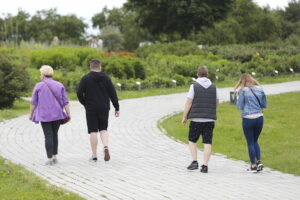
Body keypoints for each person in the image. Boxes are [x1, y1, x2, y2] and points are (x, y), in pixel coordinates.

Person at [77, 59, 119, 162]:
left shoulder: (85, 78)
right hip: (104, 107)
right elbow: (113, 93)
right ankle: (105, 146)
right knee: (103, 129)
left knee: (93, 130)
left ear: (90, 67)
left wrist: (85, 103)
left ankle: (94, 155)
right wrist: (116, 107)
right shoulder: (106, 78)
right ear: (100, 67)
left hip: (91, 107)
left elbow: (78, 92)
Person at [29, 65, 70, 165]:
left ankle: (50, 159)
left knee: (48, 135)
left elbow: (33, 102)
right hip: (57, 115)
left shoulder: (39, 86)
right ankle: (55, 157)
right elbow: (65, 101)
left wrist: (31, 114)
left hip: (44, 115)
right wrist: (68, 113)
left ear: (43, 75)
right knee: (54, 134)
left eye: (40, 74)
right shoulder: (59, 85)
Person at [182, 66, 219, 173]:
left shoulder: (194, 86)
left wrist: (185, 116)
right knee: (207, 142)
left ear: (197, 75)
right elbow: (216, 102)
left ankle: (194, 162)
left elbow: (189, 102)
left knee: (192, 140)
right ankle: (205, 166)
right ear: (207, 75)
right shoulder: (214, 87)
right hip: (209, 120)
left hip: (196, 120)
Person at [234, 73, 267, 172]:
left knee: (250, 142)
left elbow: (239, 107)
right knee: (255, 140)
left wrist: (237, 98)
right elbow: (264, 104)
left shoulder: (243, 91)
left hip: (248, 118)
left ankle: (253, 166)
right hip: (259, 117)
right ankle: (259, 161)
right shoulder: (260, 89)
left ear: (242, 82)